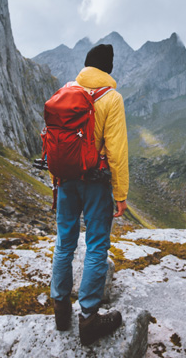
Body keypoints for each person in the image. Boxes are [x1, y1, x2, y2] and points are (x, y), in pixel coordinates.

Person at [50, 44, 129, 346]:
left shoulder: (66, 91)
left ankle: (60, 309)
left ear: (86, 66)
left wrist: (56, 179)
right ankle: (89, 318)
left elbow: (55, 142)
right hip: (96, 182)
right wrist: (120, 194)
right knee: (96, 245)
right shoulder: (111, 98)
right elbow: (117, 152)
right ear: (107, 70)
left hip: (65, 180)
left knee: (64, 243)